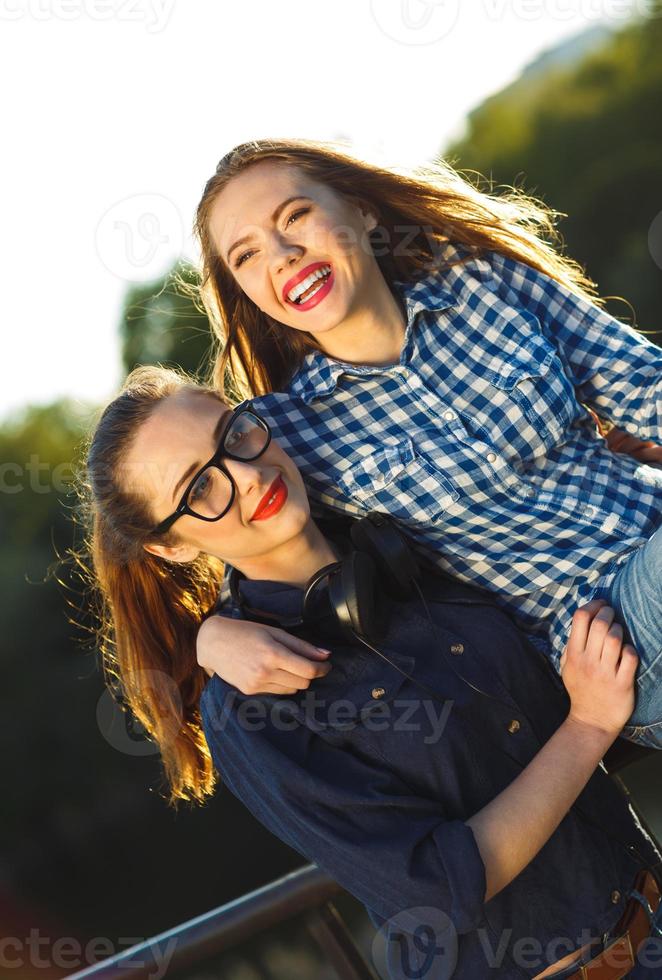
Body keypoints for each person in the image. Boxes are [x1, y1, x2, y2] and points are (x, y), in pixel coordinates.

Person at [82, 365, 662, 979]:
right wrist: (588, 727)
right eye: (201, 488)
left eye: (234, 434)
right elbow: (439, 887)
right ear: (171, 547)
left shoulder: (408, 538)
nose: (249, 477)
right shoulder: (246, 713)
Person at [191, 137, 662, 748]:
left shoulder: (481, 282)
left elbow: (642, 385)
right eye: (247, 255)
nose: (281, 255)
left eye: (295, 216)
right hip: (612, 642)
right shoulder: (279, 434)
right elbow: (237, 557)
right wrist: (209, 638)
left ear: (361, 210)